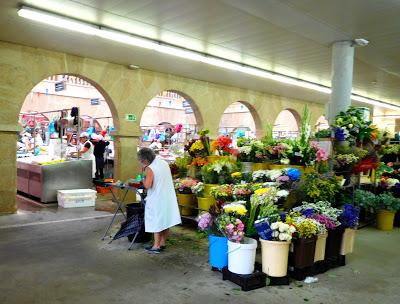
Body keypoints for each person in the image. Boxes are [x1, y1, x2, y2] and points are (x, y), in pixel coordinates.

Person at [137, 147, 181, 253]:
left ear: (145, 160)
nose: (141, 163)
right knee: (165, 220)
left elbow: (147, 185)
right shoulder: (163, 163)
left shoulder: (150, 168)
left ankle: (156, 246)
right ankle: (162, 243)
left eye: (141, 161)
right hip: (167, 196)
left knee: (156, 221)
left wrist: (140, 177)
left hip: (156, 197)